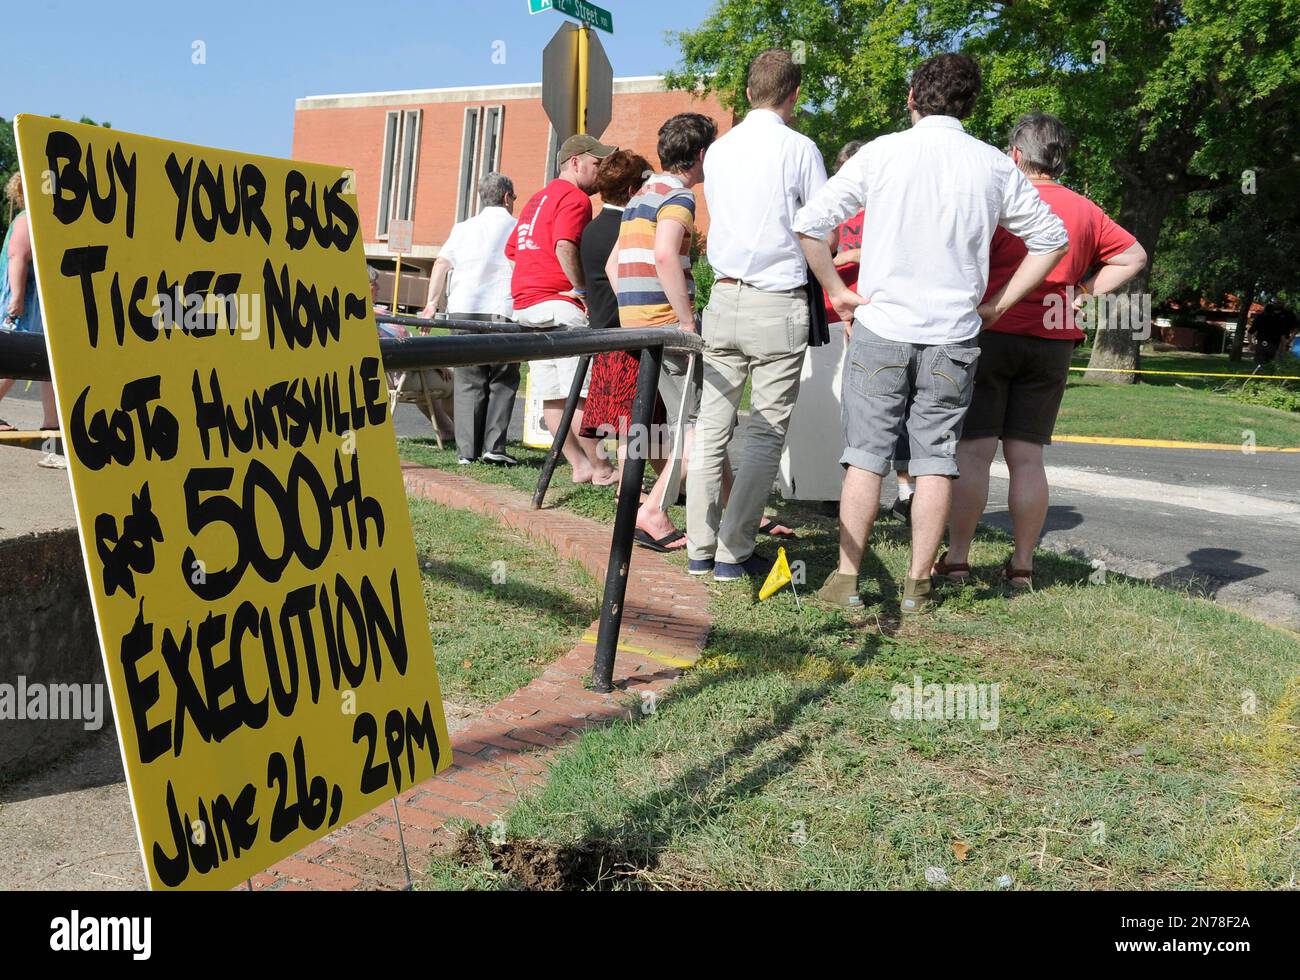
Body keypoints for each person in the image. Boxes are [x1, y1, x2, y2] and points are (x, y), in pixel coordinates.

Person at [795, 52, 1069, 614]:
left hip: (881, 325)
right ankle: (920, 582)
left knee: (866, 455)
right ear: (971, 103)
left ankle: (847, 577)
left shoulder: (882, 152)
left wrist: (838, 291)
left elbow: (809, 223)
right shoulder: (993, 164)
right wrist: (998, 303)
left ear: (912, 98)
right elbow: (1051, 239)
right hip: (954, 332)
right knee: (936, 457)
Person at [939, 114, 1146, 589]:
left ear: (1015, 155)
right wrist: (1086, 290)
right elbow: (1133, 256)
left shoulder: (1000, 199)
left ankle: (958, 560)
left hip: (992, 326)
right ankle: (1023, 565)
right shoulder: (1086, 210)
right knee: (1026, 456)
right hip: (1053, 338)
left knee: (973, 452)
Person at [687, 48, 827, 582]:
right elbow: (820, 228)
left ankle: (700, 546)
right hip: (778, 300)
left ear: (748, 93)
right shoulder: (800, 148)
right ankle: (734, 549)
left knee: (710, 428)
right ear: (793, 95)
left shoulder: (718, 152)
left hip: (723, 297)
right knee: (765, 433)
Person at [506, 134, 617, 485]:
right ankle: (601, 468)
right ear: (575, 163)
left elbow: (512, 250)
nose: (600, 172)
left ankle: (579, 466)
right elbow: (565, 243)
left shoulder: (537, 198)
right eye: (596, 164)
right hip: (560, 303)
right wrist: (582, 289)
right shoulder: (575, 197)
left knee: (551, 396)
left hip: (527, 303)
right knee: (579, 395)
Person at [420, 172, 520, 465]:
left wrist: (430, 305)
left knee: (467, 381)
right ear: (506, 197)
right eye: (513, 198)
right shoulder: (516, 227)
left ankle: (466, 453)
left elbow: (441, 263)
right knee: (502, 378)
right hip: (502, 308)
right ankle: (494, 447)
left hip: (462, 309)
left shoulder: (463, 228)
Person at [0, 173, 63, 468]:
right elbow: (17, 258)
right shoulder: (27, 219)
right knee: (17, 363)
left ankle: (51, 427)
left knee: (46, 364)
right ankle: (51, 428)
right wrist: (16, 300)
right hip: (23, 304)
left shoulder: (37, 219)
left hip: (33, 304)